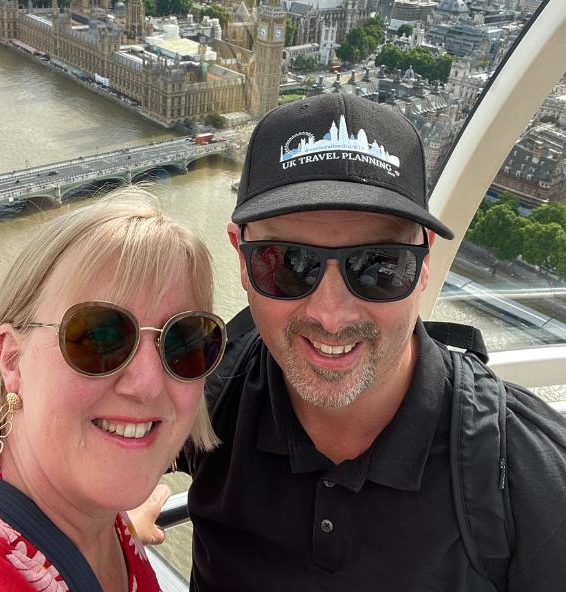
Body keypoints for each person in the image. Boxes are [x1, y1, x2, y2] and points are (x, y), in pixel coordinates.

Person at [133, 93, 566, 591]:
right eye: (288, 263)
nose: (331, 315)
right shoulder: (209, 388)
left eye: (379, 266)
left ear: (424, 263)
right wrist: (104, 521)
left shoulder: (522, 472)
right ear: (241, 256)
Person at [0, 187, 226, 591]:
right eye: (98, 339)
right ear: (12, 358)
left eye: (183, 343)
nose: (148, 383)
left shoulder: (88, 510)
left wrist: (120, 525)